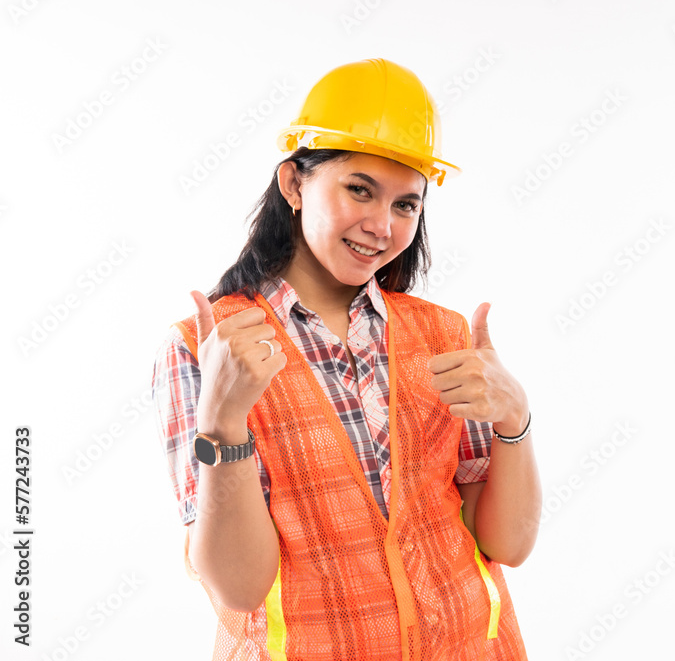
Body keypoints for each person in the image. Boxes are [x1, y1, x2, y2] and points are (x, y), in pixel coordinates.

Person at [150, 58, 541, 660]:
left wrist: (516, 421)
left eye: (406, 205)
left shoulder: (442, 332)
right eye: (359, 188)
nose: (381, 226)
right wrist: (223, 425)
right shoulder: (208, 351)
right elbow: (240, 587)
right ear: (293, 185)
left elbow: (507, 545)